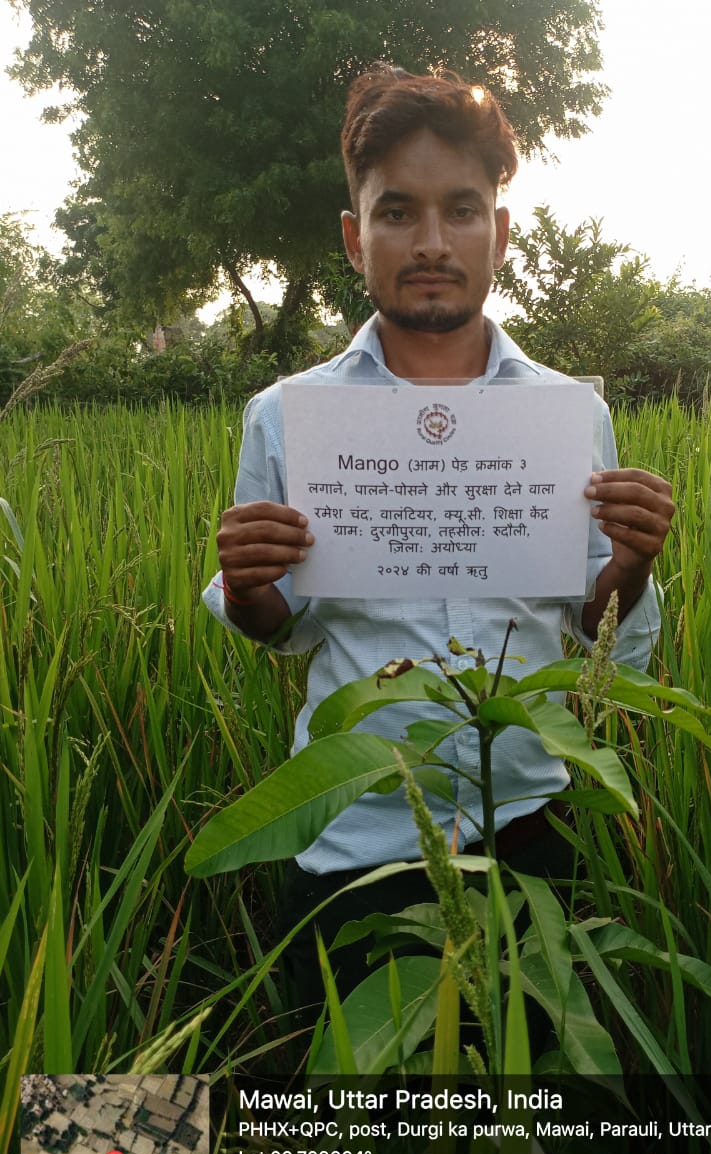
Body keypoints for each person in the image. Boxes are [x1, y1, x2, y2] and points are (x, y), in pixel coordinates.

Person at [203, 64, 675, 1023]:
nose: (430, 242)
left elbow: (595, 636)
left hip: (531, 823)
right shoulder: (289, 418)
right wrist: (248, 584)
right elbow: (281, 630)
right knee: (358, 1136)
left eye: (462, 210)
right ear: (354, 235)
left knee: (535, 1129)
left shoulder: (568, 414)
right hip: (354, 832)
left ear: (499, 231)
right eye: (396, 212)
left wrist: (628, 567)